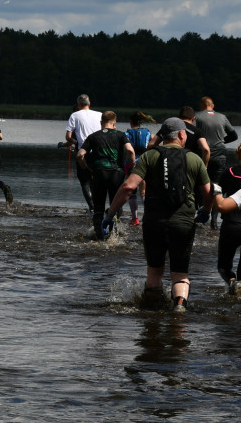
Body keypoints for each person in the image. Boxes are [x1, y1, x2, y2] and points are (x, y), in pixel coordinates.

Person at [107, 117, 211, 312]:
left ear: (163, 136)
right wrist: (206, 211)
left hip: (154, 222)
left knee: (154, 272)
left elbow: (128, 186)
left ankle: (151, 315)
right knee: (180, 274)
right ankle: (179, 309)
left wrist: (110, 213)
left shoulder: (149, 156)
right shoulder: (194, 158)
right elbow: (208, 193)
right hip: (183, 223)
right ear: (182, 135)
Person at [77, 111, 135, 239]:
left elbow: (80, 155)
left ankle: (99, 238)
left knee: (98, 209)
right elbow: (130, 151)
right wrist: (131, 167)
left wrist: (86, 168)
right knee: (116, 207)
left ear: (101, 122)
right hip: (116, 174)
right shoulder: (121, 135)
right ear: (114, 123)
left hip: (99, 174)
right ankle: (112, 235)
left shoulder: (93, 136)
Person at [194, 96, 238, 230]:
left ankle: (201, 216)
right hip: (220, 155)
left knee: (199, 184)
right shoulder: (222, 117)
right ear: (212, 105)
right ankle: (214, 222)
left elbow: (192, 134)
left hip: (202, 155)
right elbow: (234, 135)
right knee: (216, 187)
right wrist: (222, 142)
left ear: (201, 105)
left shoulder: (197, 117)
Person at [64, 94, 102, 212]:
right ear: (89, 104)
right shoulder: (100, 114)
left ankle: (92, 208)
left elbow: (68, 137)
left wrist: (75, 142)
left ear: (78, 105)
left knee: (85, 181)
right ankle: (100, 207)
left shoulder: (74, 115)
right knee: (97, 180)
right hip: (100, 152)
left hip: (83, 152)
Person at [211, 146, 241, 294]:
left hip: (231, 223)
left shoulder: (229, 172)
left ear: (238, 155)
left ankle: (231, 281)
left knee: (223, 267)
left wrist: (209, 212)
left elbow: (219, 198)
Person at [123, 111, 157, 226]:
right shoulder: (148, 132)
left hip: (130, 163)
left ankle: (135, 218)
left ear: (131, 121)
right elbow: (155, 143)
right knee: (143, 192)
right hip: (144, 163)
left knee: (131, 192)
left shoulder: (127, 133)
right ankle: (148, 216)